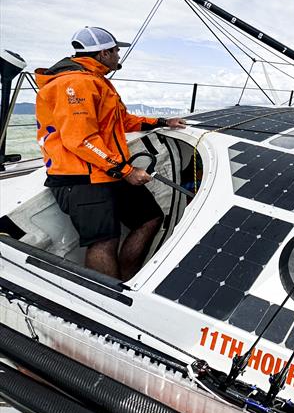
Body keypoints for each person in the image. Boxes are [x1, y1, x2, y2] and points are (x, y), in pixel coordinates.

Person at [35, 26, 187, 280]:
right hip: (81, 179)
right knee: (104, 241)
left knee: (149, 218)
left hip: (105, 171)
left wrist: (161, 121)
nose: (119, 55)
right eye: (116, 50)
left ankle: (126, 281)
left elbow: (121, 120)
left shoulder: (95, 81)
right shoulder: (76, 84)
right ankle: (108, 298)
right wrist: (125, 170)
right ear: (104, 53)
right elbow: (80, 140)